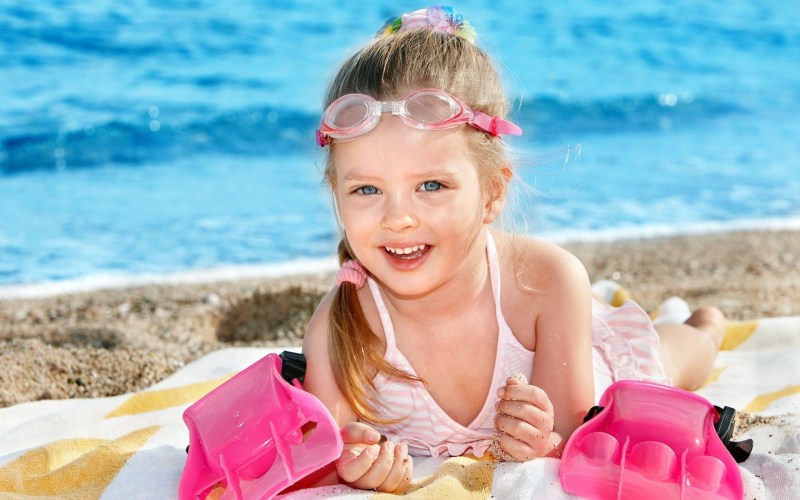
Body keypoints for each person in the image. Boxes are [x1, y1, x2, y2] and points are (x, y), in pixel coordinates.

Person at [301, 5, 725, 494]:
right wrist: (357, 466)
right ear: (337, 194)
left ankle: (705, 325)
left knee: (670, 360)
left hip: (592, 371)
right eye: (367, 190)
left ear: (493, 192)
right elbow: (327, 455)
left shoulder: (548, 280)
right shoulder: (338, 325)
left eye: (432, 185)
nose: (398, 218)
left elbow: (572, 437)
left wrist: (543, 440)